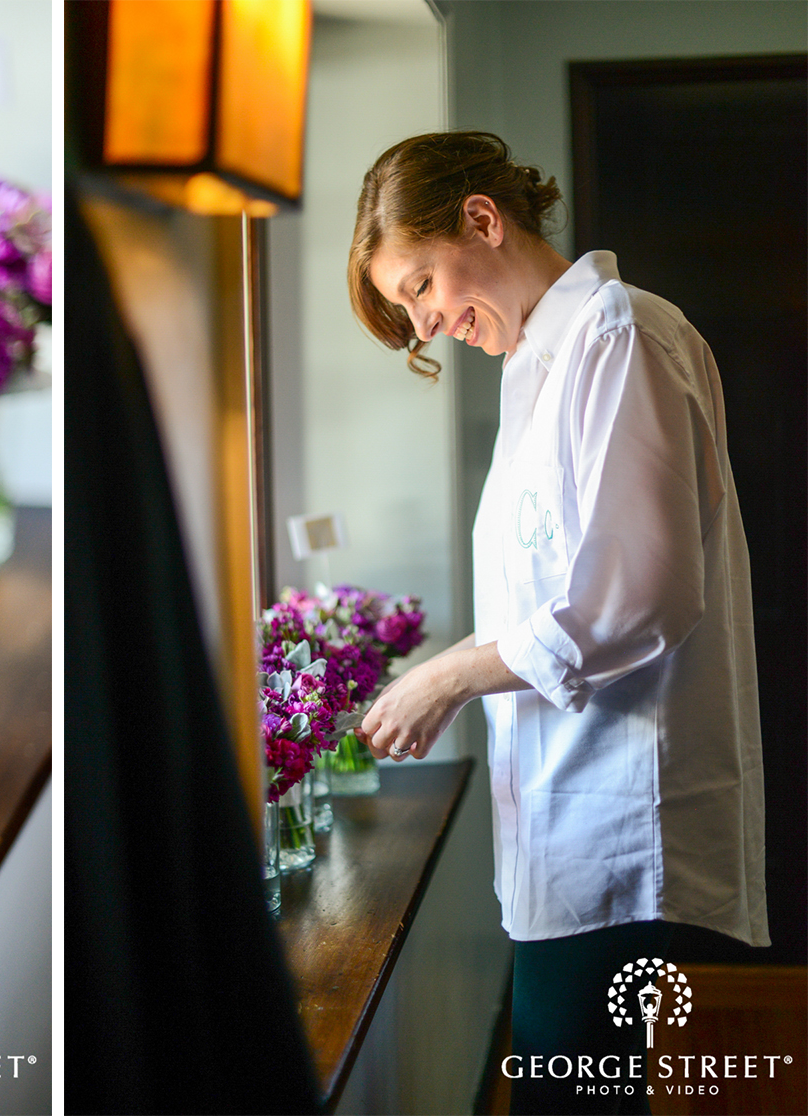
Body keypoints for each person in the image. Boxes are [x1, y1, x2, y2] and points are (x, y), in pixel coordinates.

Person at [345, 132, 766, 1116]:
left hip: (618, 813)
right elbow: (548, 595)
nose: (429, 321)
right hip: (562, 806)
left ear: (483, 221)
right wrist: (454, 661)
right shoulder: (537, 358)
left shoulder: (620, 334)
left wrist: (448, 677)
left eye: (419, 285)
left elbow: (640, 595)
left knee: (566, 1094)